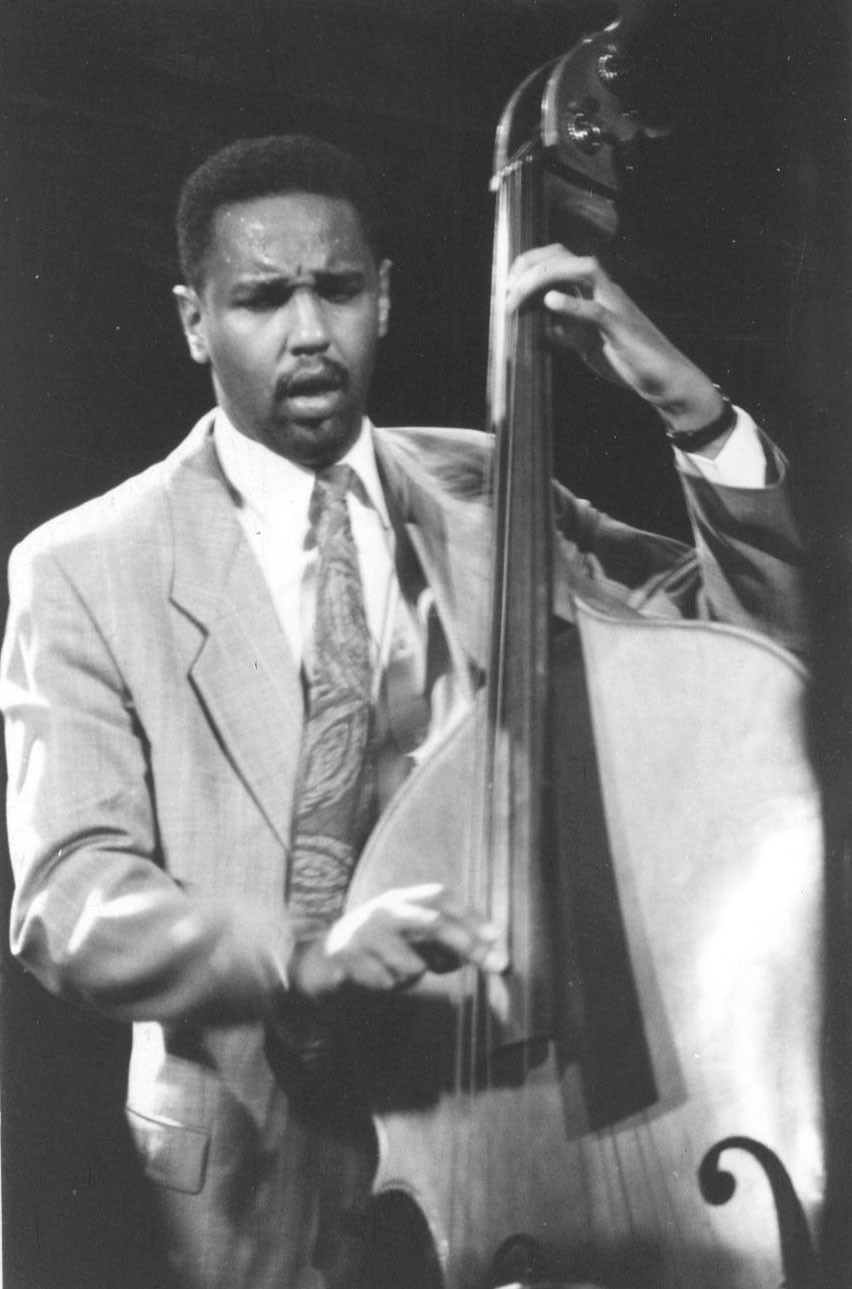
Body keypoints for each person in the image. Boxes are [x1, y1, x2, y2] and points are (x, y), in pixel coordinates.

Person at [0, 134, 806, 1289]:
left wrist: (693, 410)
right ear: (194, 321)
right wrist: (303, 957)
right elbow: (69, 894)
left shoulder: (492, 483)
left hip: (516, 1137)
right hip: (254, 1172)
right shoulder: (83, 565)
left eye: (336, 289)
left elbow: (745, 653)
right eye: (262, 299)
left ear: (383, 294)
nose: (309, 331)